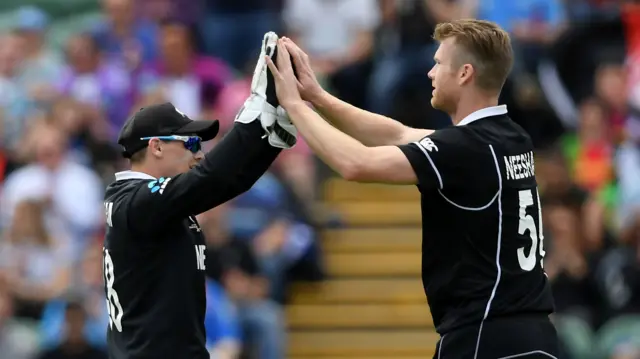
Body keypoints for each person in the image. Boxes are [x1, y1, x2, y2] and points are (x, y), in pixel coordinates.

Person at [266, 20, 559, 358]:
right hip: (535, 337)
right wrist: (317, 96)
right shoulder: (510, 137)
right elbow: (396, 133)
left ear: (464, 73)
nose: (431, 73)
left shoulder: (464, 148)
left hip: (484, 336)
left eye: (438, 63)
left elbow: (355, 163)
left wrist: (294, 105)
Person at [101, 32, 296, 359]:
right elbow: (211, 178)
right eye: (189, 143)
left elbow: (227, 182)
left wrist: (269, 140)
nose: (198, 153)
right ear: (156, 146)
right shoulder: (133, 201)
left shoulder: (145, 201)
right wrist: (252, 117)